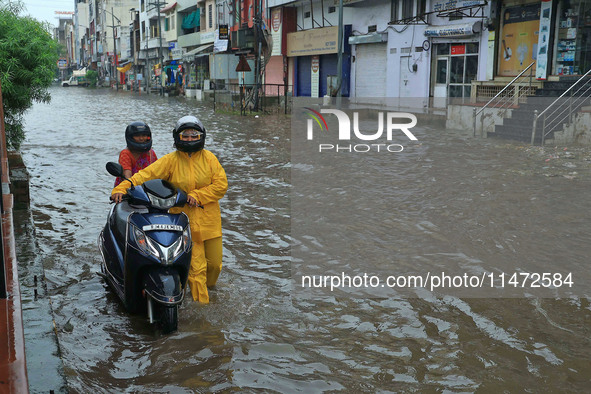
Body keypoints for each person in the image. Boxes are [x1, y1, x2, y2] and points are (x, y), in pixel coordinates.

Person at [111, 115, 228, 304]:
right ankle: (202, 317)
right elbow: (145, 175)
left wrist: (198, 196)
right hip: (183, 223)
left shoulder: (210, 159)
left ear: (201, 137)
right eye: (185, 136)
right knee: (197, 272)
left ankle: (209, 292)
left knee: (214, 266)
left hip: (210, 222)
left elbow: (221, 185)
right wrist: (121, 188)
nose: (189, 139)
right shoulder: (170, 161)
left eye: (194, 135)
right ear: (177, 137)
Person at [115, 121, 158, 186]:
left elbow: (158, 171)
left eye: (144, 135)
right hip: (128, 189)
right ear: (130, 137)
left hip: (147, 188)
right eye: (137, 136)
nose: (141, 138)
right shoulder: (126, 154)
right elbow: (127, 176)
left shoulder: (151, 153)